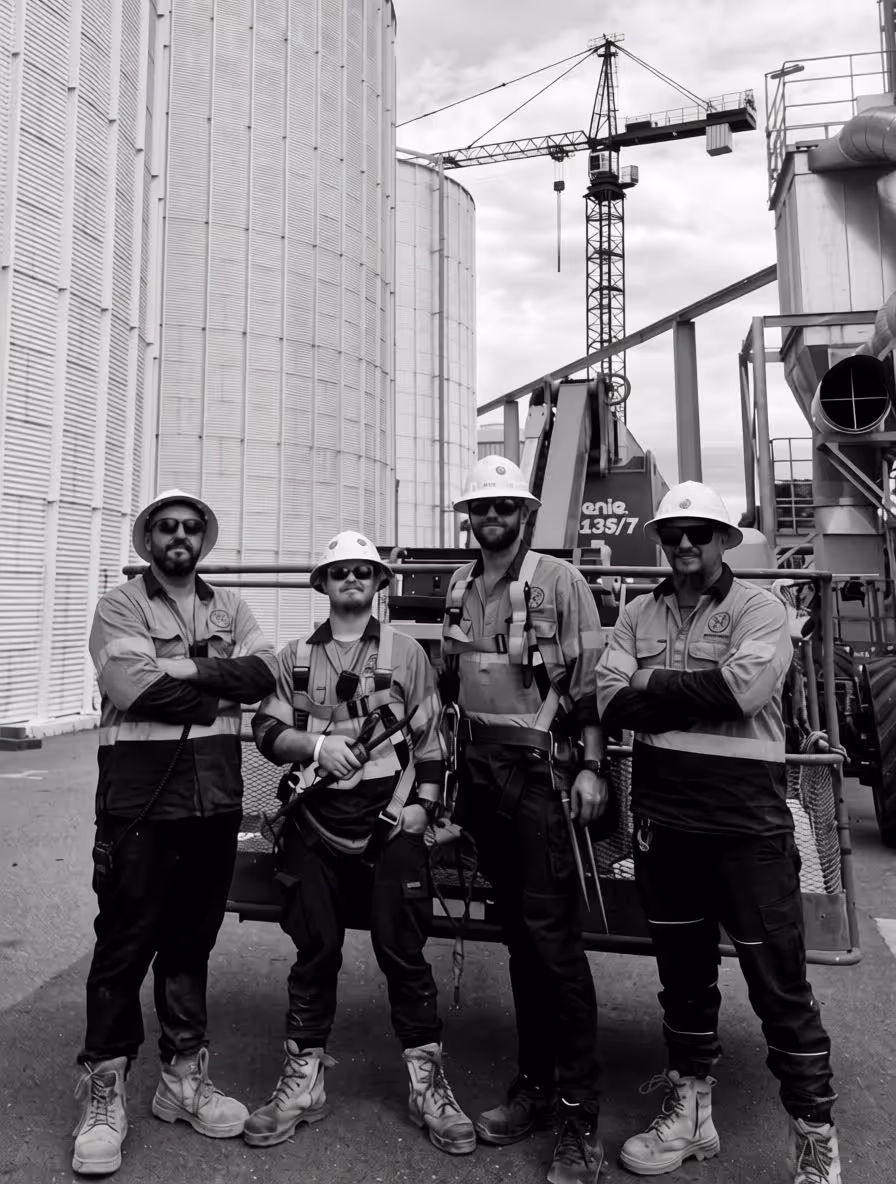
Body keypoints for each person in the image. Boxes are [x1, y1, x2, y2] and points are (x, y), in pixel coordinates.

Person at [595, 481, 840, 1184]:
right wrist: (653, 689)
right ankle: (691, 1115)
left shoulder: (762, 609)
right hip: (666, 824)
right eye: (673, 534)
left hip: (746, 829)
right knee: (684, 981)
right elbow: (609, 701)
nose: (684, 546)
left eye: (700, 533)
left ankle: (815, 1139)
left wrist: (649, 684)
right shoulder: (637, 609)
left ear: (725, 540)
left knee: (780, 988)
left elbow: (743, 695)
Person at [247, 531, 475, 1157]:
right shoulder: (294, 657)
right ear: (321, 583)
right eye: (339, 571)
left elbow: (430, 741)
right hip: (313, 824)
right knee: (314, 950)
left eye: (363, 571)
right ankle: (303, 1081)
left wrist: (423, 809)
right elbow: (265, 729)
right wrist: (315, 747)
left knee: (403, 951)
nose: (351, 579)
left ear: (379, 583)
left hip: (390, 822)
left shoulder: (406, 656)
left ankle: (428, 1084)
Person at [73, 489, 277, 1177]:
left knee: (191, 941)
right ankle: (105, 1088)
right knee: (126, 943)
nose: (180, 536)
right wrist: (217, 682)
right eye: (167, 527)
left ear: (203, 540)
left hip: (214, 801)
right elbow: (137, 690)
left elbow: (265, 669)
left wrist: (186, 668)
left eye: (191, 527)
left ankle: (183, 1078)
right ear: (149, 539)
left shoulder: (229, 608)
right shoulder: (120, 605)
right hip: (139, 804)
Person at [442, 455, 607, 1184]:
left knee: (555, 948)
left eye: (503, 507)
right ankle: (534, 1088)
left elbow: (592, 684)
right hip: (481, 779)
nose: (491, 518)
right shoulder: (459, 586)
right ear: (468, 518)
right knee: (517, 941)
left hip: (540, 778)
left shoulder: (559, 582)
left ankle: (579, 1120)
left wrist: (594, 768)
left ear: (524, 513)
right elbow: (456, 687)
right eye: (481, 509)